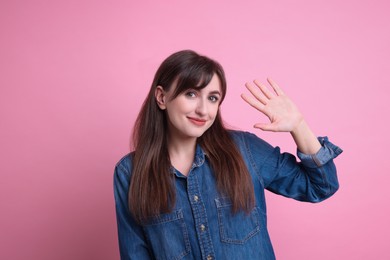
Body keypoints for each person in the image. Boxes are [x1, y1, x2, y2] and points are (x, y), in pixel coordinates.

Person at [113, 50, 342, 260]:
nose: (203, 110)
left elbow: (321, 186)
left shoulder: (245, 150)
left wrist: (299, 126)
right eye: (191, 94)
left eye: (212, 98)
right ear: (162, 98)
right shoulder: (130, 173)